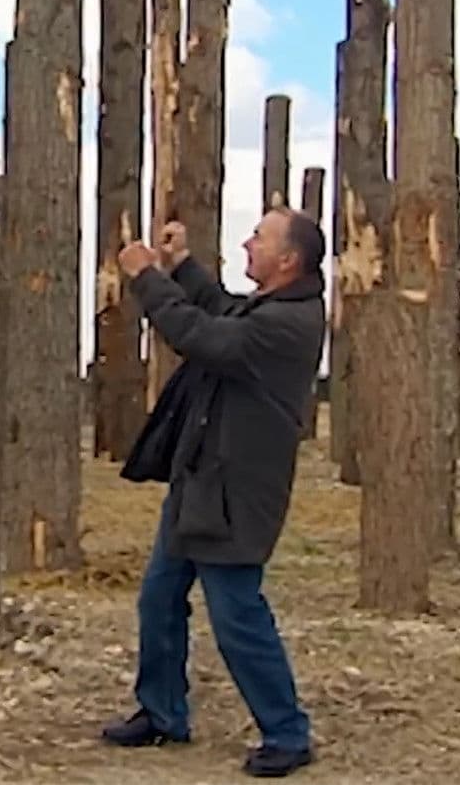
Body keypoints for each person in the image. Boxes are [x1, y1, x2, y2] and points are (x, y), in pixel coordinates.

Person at [101, 207, 327, 778]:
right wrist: (182, 268)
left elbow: (203, 336)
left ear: (288, 260)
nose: (248, 243)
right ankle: (162, 713)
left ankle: (287, 733)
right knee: (158, 597)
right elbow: (221, 309)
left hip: (235, 493)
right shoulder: (274, 306)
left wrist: (147, 278)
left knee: (237, 615)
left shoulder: (290, 322)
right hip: (202, 480)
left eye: (260, 238)